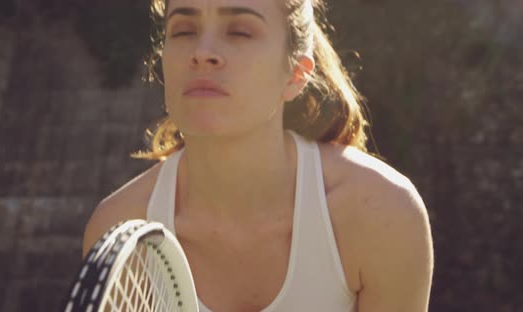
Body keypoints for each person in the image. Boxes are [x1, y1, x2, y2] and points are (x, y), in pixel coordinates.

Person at [83, 0, 434, 311]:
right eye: (184, 29)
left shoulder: (382, 213)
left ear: (297, 74)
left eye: (239, 31)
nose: (202, 51)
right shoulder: (120, 230)